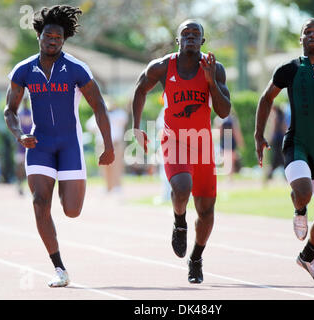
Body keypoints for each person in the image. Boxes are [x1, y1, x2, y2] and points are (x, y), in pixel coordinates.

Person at [4, 5, 114, 288]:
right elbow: (9, 111)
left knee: (72, 210)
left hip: (69, 146)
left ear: (63, 41)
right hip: (39, 144)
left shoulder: (77, 69)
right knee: (40, 203)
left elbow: (99, 107)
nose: (53, 41)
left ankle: (67, 195)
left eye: (58, 38)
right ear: (39, 35)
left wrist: (108, 145)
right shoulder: (23, 70)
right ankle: (59, 268)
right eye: (48, 36)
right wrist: (19, 135)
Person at [254, 18, 314, 282]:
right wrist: (258, 135)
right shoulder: (288, 69)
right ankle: (299, 210)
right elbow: (266, 98)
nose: (312, 35)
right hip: (295, 143)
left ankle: (308, 257)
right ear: (300, 39)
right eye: (307, 32)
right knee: (303, 192)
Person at [132, 19, 231, 283]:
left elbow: (224, 111)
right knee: (181, 185)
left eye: (195, 34)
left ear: (202, 41)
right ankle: (179, 222)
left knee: (207, 211)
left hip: (202, 142)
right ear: (178, 40)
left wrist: (210, 82)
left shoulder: (214, 68)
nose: (190, 37)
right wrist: (136, 127)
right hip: (174, 139)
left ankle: (196, 257)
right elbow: (140, 89)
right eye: (185, 34)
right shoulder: (164, 66)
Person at [86, 100, 129, 194]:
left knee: (117, 166)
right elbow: (89, 126)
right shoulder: (98, 115)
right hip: (102, 145)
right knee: (104, 167)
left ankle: (117, 187)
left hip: (116, 144)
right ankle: (107, 187)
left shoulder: (119, 114)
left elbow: (124, 119)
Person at [215, 111, 244, 179]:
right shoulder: (232, 119)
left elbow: (219, 131)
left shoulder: (220, 119)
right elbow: (236, 132)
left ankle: (229, 176)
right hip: (229, 138)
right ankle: (230, 176)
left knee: (227, 159)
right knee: (230, 159)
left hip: (226, 138)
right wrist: (240, 142)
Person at [15, 92, 32, 195]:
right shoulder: (19, 113)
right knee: (20, 166)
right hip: (21, 145)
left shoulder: (31, 113)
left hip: (30, 144)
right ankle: (19, 184)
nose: (25, 102)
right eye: (24, 100)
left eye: (27, 100)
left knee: (29, 166)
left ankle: (29, 186)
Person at [266, 105, 286, 181]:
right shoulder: (282, 116)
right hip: (281, 138)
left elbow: (273, 128)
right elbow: (284, 127)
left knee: (275, 157)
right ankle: (283, 174)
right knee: (281, 156)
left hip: (276, 139)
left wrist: (270, 139)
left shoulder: (275, 116)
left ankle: (269, 175)